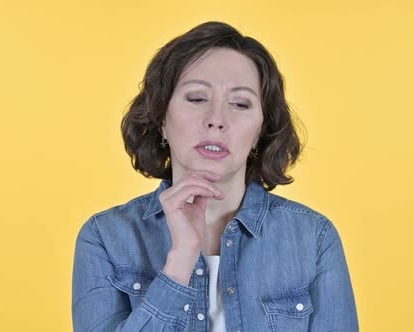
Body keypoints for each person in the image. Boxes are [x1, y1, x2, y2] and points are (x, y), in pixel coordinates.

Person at [72, 21, 359, 332]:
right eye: (197, 98)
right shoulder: (105, 237)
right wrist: (180, 261)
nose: (217, 120)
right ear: (161, 118)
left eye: (240, 103)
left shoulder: (314, 239)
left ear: (260, 131)